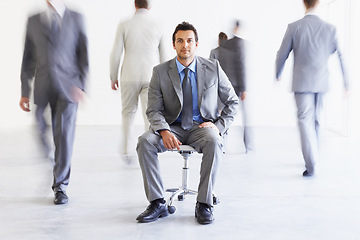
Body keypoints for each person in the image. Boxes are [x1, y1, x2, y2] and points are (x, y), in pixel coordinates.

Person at [136, 22, 239, 224]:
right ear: (173, 45)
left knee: (214, 140)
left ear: (196, 44)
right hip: (171, 127)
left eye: (189, 40)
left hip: (201, 127)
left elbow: (233, 102)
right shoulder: (160, 71)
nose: (185, 45)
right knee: (144, 142)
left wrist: (217, 126)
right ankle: (158, 202)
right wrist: (164, 131)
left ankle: (204, 203)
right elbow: (153, 109)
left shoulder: (213, 68)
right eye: (180, 41)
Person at [19, 0, 89, 204]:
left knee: (64, 135)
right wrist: (24, 91)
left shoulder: (76, 17)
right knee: (40, 127)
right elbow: (27, 57)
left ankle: (60, 187)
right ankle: (50, 155)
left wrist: (81, 84)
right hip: (42, 84)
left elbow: (83, 54)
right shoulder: (33, 20)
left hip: (69, 87)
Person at [275, 0, 348, 177]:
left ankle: (311, 162)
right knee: (316, 121)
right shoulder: (330, 28)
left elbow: (281, 53)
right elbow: (340, 55)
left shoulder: (294, 27)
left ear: (304, 3)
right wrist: (347, 82)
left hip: (302, 82)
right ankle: (313, 156)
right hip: (322, 82)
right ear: (318, 3)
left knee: (304, 120)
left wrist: (278, 73)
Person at [110, 0, 166, 165]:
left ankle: (127, 151)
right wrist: (165, 80)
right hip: (151, 75)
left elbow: (116, 52)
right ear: (150, 5)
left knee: (128, 113)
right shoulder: (158, 24)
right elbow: (164, 54)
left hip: (128, 74)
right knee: (149, 115)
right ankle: (149, 149)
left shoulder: (125, 24)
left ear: (135, 4)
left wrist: (113, 76)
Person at [210, 20, 254, 153]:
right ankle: (249, 146)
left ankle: (221, 143)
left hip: (223, 87)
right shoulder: (239, 44)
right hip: (236, 87)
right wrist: (244, 87)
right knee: (244, 117)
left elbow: (211, 70)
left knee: (222, 116)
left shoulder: (221, 49)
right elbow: (241, 67)